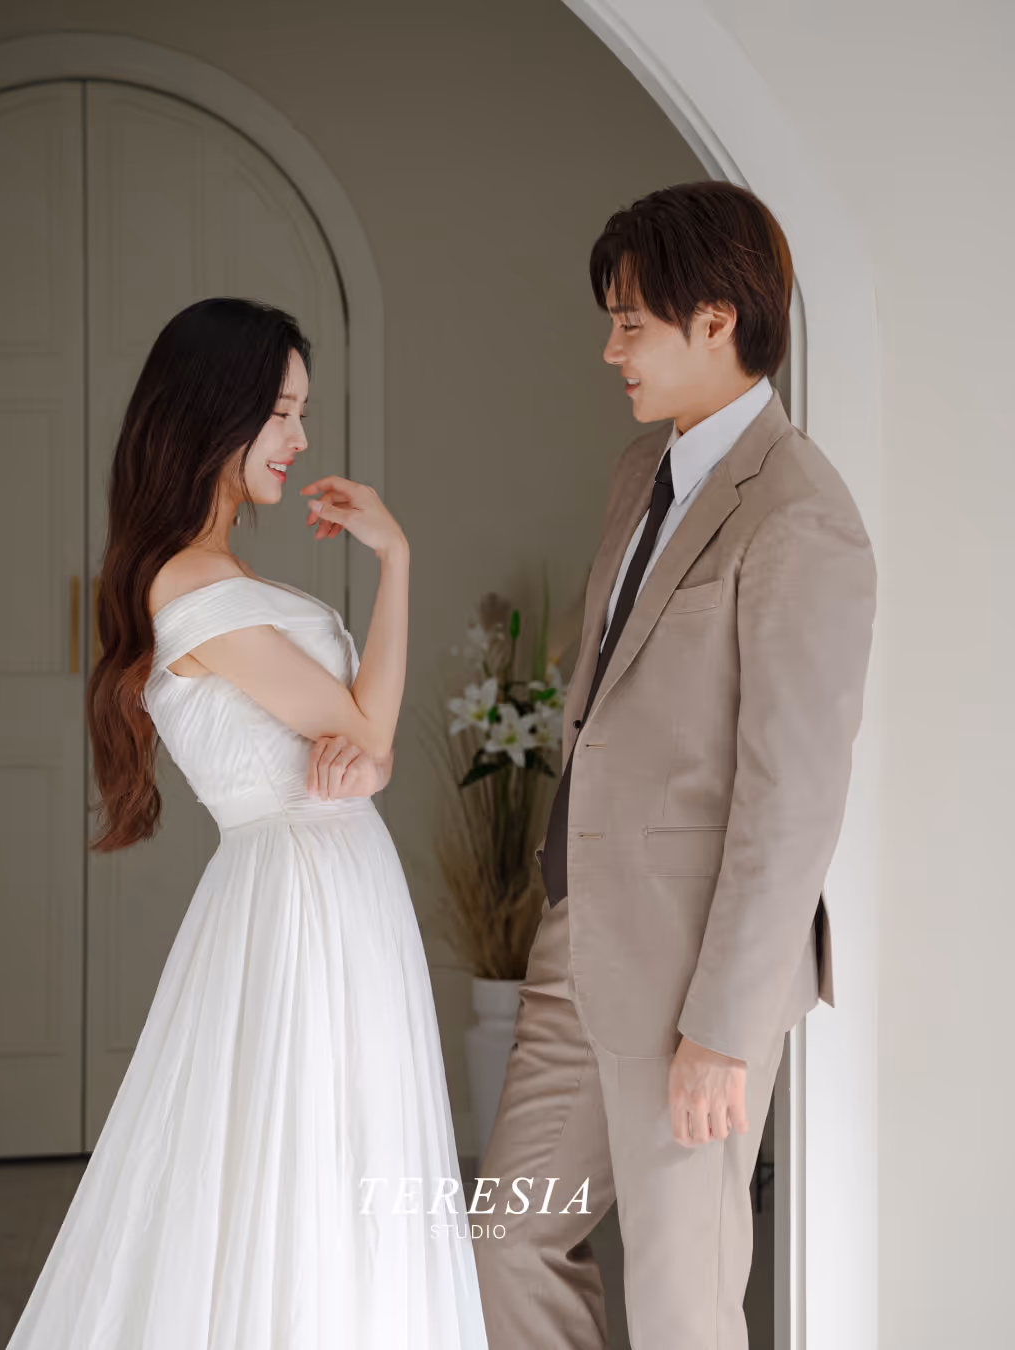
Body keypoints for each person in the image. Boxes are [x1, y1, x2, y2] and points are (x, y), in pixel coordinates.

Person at [5, 297, 488, 1350]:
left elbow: (368, 746)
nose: (300, 437)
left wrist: (371, 746)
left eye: (302, 411)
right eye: (280, 411)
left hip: (335, 884)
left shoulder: (221, 578)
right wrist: (396, 560)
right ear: (212, 411)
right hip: (301, 899)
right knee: (303, 1165)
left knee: (338, 1156)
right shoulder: (194, 584)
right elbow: (365, 728)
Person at [474, 182, 877, 1349]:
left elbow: (793, 798)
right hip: (579, 942)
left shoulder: (800, 515)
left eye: (629, 324)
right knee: (508, 1243)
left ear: (716, 320)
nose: (611, 351)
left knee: (680, 1304)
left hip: (691, 980)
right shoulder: (636, 473)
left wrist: (726, 1028)